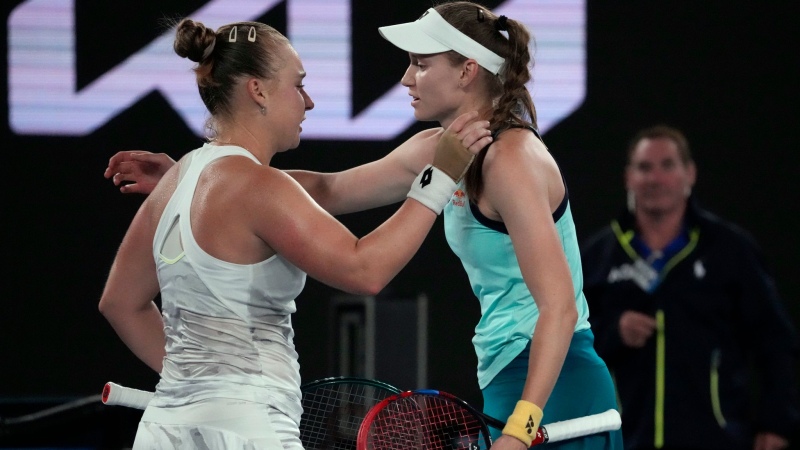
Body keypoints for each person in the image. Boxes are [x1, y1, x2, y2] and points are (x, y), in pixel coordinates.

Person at [105, 3, 623, 449]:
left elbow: (558, 306)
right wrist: (192, 178)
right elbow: (326, 190)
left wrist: (524, 422)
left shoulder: (511, 159)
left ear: (467, 71)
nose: (405, 78)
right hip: (507, 377)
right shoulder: (432, 151)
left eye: (421, 64)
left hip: (557, 382)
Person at [580, 125, 800, 450]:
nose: (655, 178)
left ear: (690, 173)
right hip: (624, 439)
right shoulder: (599, 256)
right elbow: (568, 342)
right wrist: (614, 332)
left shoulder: (729, 250)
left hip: (716, 438)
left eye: (667, 165)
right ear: (629, 177)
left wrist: (777, 422)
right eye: (644, 167)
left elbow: (775, 340)